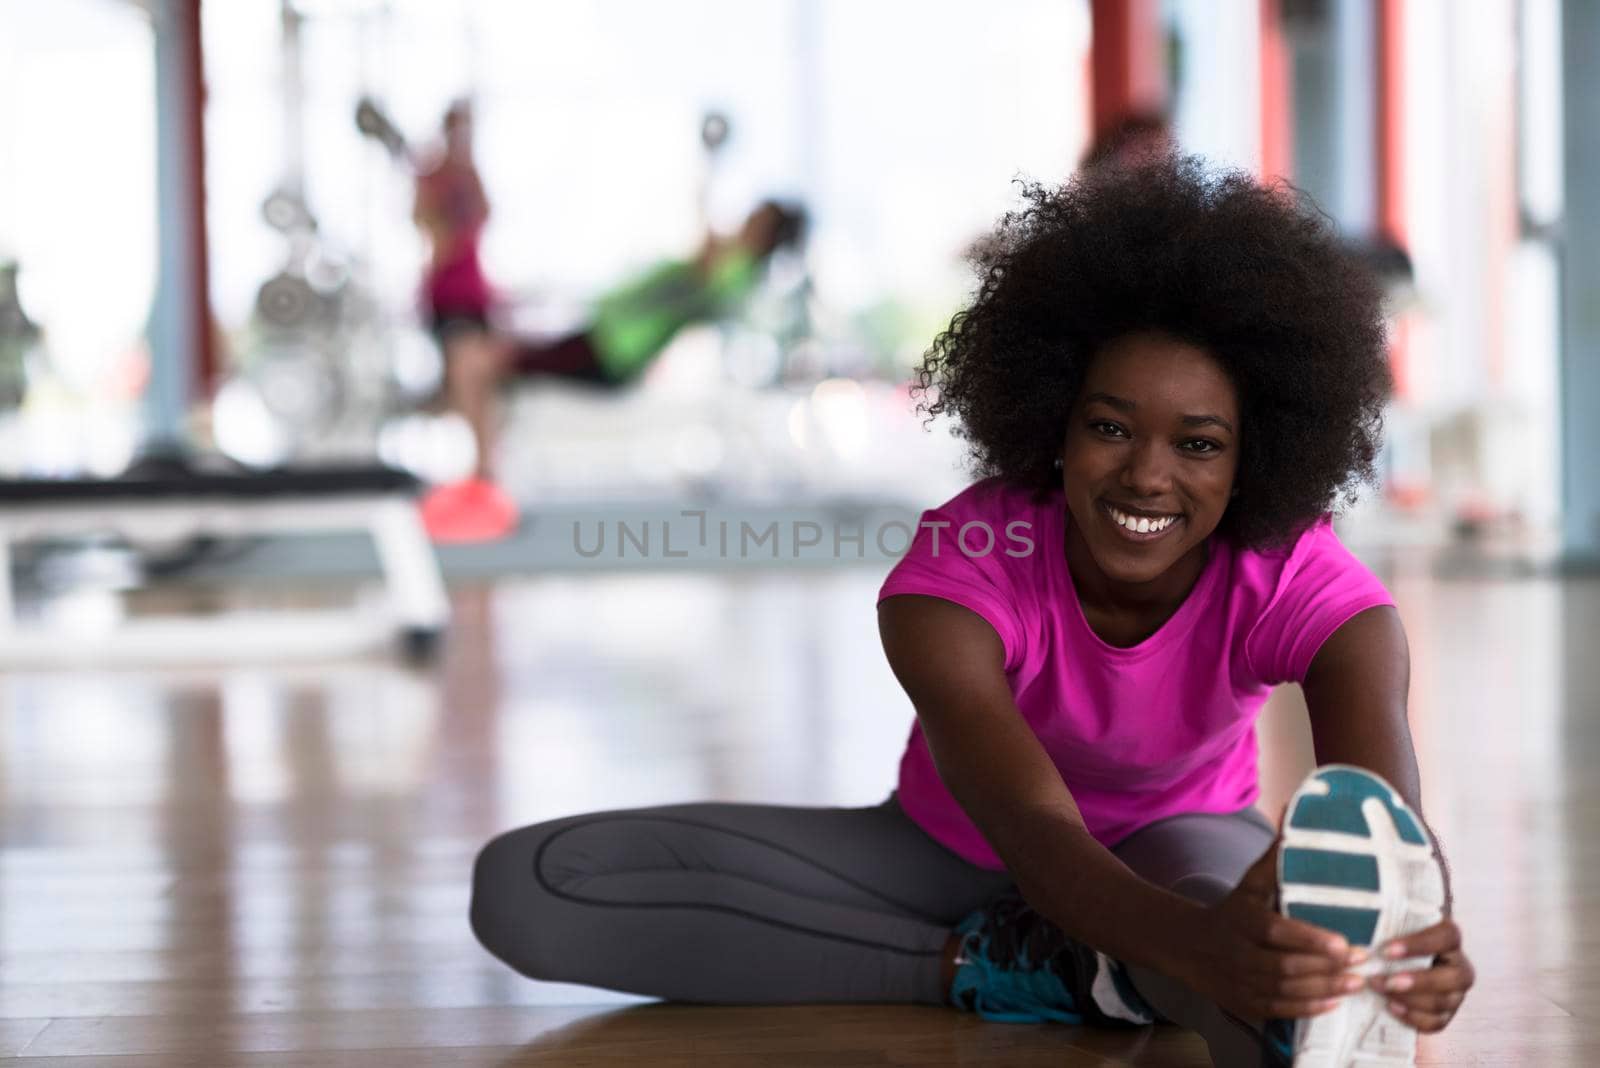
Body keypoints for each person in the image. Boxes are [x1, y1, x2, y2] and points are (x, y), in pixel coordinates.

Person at [466, 157, 1474, 1066]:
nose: (1147, 476)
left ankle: (1198, 990)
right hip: (952, 856)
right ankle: (1041, 971)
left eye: (1199, 444)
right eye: (1109, 427)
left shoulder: (1297, 578)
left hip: (1186, 845)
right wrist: (1186, 951)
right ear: (1053, 424)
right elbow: (1035, 835)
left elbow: (1386, 818)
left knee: (1248, 943)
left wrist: (1413, 931)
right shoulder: (963, 565)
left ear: (1257, 452)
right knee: (534, 886)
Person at [422, 198, 806, 542]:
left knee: (478, 363)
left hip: (611, 350)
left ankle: (483, 483)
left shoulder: (735, 269)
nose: (746, 218)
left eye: (757, 217)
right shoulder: (733, 264)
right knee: (481, 365)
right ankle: (483, 477)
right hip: (603, 336)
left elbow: (705, 268)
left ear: (767, 231)